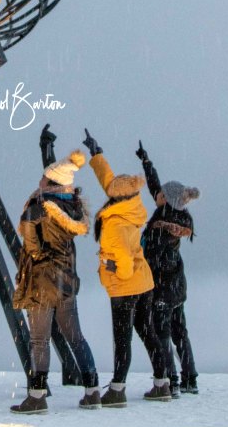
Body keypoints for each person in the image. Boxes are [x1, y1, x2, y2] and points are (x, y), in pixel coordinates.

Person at [11, 127, 100, 413]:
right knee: (75, 336)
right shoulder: (71, 206)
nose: (39, 179)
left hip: (41, 282)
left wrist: (35, 252)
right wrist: (46, 150)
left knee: (39, 339)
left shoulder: (37, 209)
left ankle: (36, 396)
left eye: (43, 177)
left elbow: (32, 246)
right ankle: (93, 389)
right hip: (65, 281)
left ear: (50, 182)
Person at [83, 128, 170, 406]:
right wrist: (96, 152)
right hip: (144, 282)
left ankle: (117, 390)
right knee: (147, 332)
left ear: (116, 197)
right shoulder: (131, 204)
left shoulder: (114, 224)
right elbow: (109, 181)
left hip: (125, 286)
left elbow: (121, 264)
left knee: (122, 339)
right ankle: (162, 383)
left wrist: (109, 267)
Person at [136, 140, 200, 396]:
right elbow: (155, 186)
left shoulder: (161, 224)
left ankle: (170, 381)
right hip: (177, 285)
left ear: (168, 200)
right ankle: (190, 379)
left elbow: (150, 254)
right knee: (180, 331)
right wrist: (146, 161)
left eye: (162, 194)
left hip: (162, 286)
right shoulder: (178, 215)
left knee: (162, 333)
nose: (157, 195)